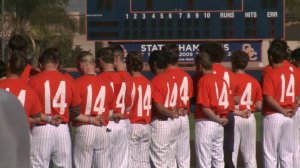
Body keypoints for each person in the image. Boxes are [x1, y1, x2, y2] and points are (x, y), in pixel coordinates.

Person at [28, 48, 82, 168]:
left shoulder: (33, 81)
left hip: (41, 128)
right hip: (62, 128)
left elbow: (29, 109)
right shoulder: (68, 80)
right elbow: (76, 109)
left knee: (38, 166)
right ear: (57, 64)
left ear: (40, 64)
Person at [73, 51, 114, 168]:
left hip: (85, 127)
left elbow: (72, 112)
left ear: (81, 65)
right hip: (102, 128)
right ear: (93, 65)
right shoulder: (106, 83)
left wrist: (90, 119)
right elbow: (110, 112)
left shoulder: (77, 83)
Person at [198, 42, 236, 168]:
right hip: (227, 115)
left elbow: (204, 105)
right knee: (223, 157)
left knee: (205, 160)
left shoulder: (202, 77)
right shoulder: (227, 74)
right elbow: (233, 98)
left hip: (210, 118)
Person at [262, 46, 300, 168]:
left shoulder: (270, 73)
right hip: (290, 115)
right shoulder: (293, 73)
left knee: (270, 154)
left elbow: (268, 98)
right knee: (286, 154)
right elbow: (297, 97)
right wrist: (293, 109)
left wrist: (282, 110)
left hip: (275, 115)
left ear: (271, 58)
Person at [0, 52, 60, 127]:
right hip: (22, 134)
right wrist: (49, 119)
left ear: (8, 65)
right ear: (24, 69)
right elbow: (37, 118)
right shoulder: (29, 90)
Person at [96, 47, 129, 168]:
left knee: (103, 163)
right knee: (121, 164)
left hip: (107, 123)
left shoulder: (99, 79)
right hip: (122, 123)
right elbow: (129, 104)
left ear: (101, 61)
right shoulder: (124, 77)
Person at [230, 51, 263, 168]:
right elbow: (259, 105)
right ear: (246, 64)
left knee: (231, 154)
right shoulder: (254, 81)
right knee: (250, 156)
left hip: (234, 116)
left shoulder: (229, 79)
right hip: (249, 117)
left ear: (233, 64)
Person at [163, 44, 193, 168]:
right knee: (184, 158)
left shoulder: (163, 75)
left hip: (170, 117)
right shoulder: (187, 76)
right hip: (183, 118)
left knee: (170, 158)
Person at [149, 50, 178, 168]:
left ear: (155, 64)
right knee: (170, 162)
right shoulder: (172, 80)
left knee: (159, 163)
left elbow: (160, 108)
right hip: (173, 125)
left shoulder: (156, 81)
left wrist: (170, 113)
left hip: (161, 124)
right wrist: (173, 113)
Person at [126, 51, 152, 168]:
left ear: (129, 64)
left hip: (133, 124)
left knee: (131, 162)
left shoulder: (129, 82)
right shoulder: (148, 82)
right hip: (146, 126)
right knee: (144, 163)